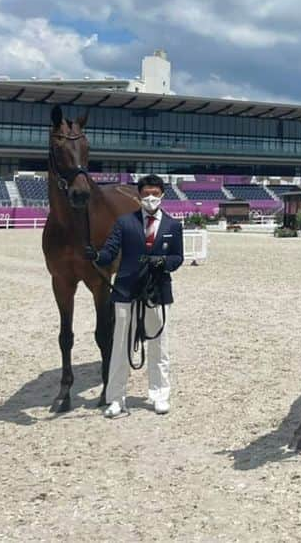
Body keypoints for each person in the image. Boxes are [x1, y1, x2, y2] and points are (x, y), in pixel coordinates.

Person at [85, 173, 184, 418]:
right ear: (139, 195)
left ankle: (159, 394)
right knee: (119, 346)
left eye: (155, 193)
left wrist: (161, 261)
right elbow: (110, 251)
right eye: (146, 193)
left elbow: (177, 258)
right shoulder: (124, 223)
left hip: (157, 290)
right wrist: (96, 256)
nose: (150, 197)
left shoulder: (173, 226)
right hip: (126, 290)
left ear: (162, 194)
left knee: (159, 346)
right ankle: (116, 397)